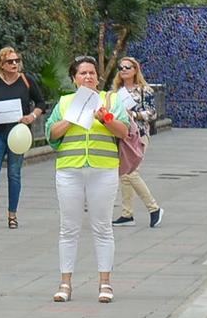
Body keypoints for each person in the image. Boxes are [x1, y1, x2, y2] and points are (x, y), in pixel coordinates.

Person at [46, 57, 128, 304]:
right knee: (68, 228)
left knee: (102, 227)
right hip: (69, 170)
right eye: (83, 73)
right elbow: (51, 134)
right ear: (74, 78)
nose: (88, 77)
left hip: (103, 170)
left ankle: (105, 283)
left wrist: (106, 118)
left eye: (92, 73)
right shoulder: (64, 102)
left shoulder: (110, 100)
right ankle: (65, 283)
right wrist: (70, 118)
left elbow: (124, 131)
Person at [0, 48, 45, 229]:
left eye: (17, 60)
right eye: (10, 61)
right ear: (1, 65)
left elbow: (40, 103)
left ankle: (12, 215)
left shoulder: (26, 80)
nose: (14, 64)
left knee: (14, 174)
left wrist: (32, 116)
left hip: (18, 134)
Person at [112, 58, 164, 227]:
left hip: (139, 134)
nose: (124, 70)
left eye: (128, 67)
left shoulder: (144, 90)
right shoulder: (115, 91)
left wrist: (133, 115)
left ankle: (154, 208)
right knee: (124, 175)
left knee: (132, 172)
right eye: (121, 67)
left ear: (135, 69)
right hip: (122, 135)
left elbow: (152, 113)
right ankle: (127, 214)